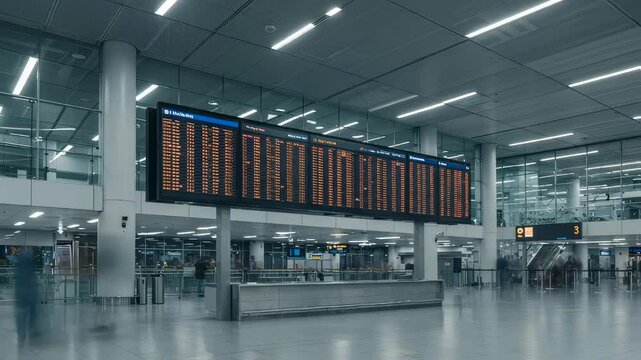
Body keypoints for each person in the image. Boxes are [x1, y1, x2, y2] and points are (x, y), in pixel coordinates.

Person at [15, 248, 38, 344]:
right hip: (29, 292)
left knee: (21, 314)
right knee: (32, 313)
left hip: (21, 293)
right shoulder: (30, 265)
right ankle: (32, 331)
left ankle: (22, 334)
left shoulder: (20, 266)